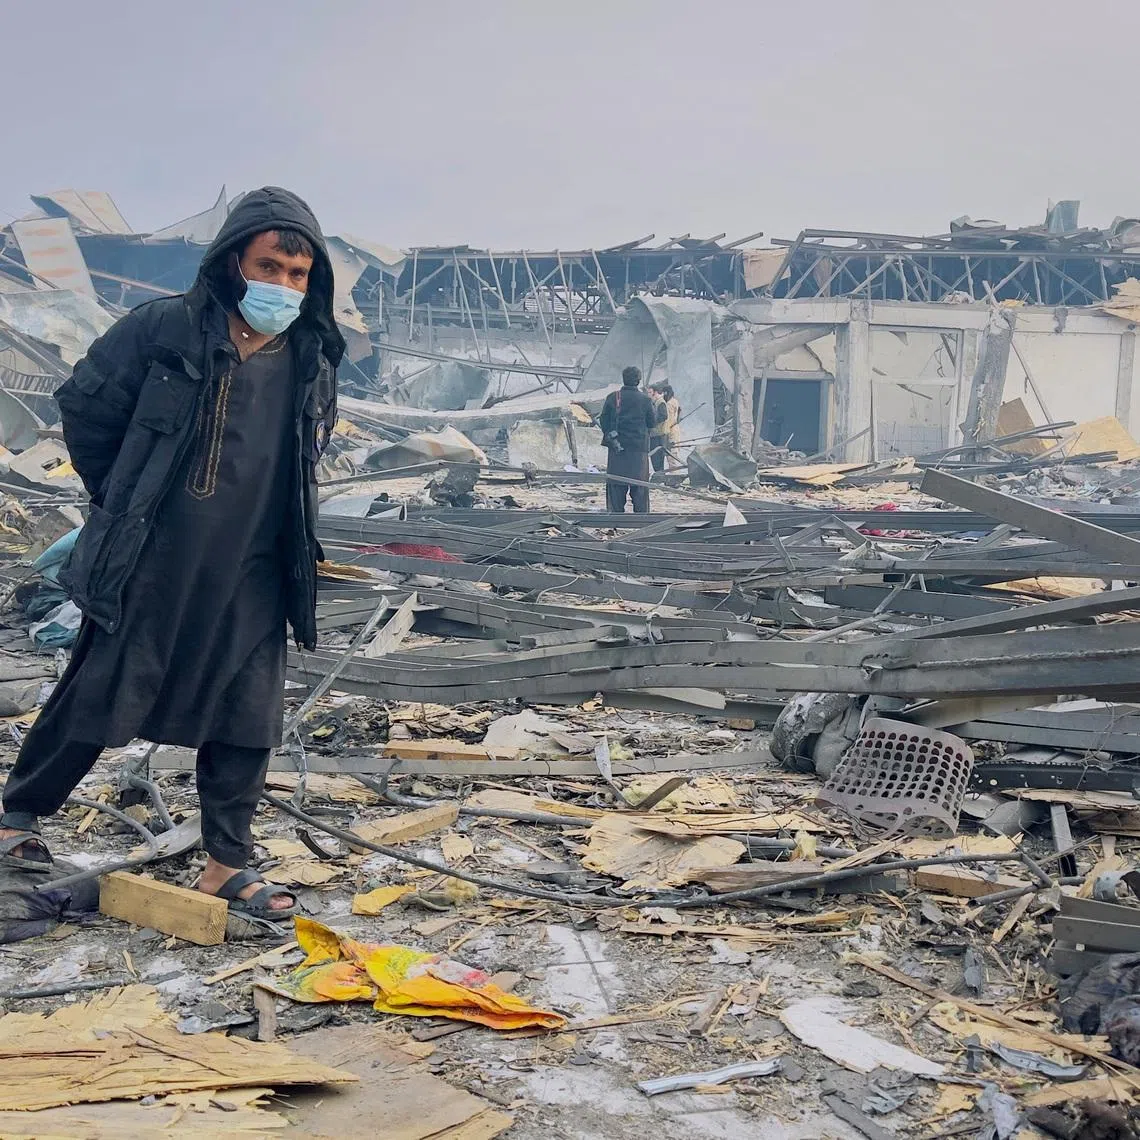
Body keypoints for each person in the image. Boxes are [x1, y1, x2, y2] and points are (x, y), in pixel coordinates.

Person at [0, 187, 344, 920]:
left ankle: (225, 864)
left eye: (298, 274)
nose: (283, 286)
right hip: (154, 561)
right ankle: (17, 818)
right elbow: (86, 406)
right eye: (269, 267)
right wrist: (123, 497)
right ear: (230, 264)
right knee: (101, 690)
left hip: (254, 566)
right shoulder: (163, 330)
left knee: (247, 713)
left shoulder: (310, 357)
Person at [599, 365, 656, 513]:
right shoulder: (645, 400)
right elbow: (652, 423)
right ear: (638, 380)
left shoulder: (613, 397)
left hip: (617, 449)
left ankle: (616, 519)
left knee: (616, 486)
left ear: (623, 379)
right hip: (639, 451)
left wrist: (611, 435)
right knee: (640, 487)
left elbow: (603, 420)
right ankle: (641, 520)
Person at [647, 383, 669, 473]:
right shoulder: (655, 403)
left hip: (659, 435)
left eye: (650, 392)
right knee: (655, 459)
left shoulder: (660, 402)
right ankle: (659, 476)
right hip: (655, 434)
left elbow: (664, 416)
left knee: (657, 458)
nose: (648, 394)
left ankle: (660, 476)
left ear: (655, 392)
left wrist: (652, 422)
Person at [661, 383, 682, 467]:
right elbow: (679, 411)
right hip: (675, 429)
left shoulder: (669, 404)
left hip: (671, 430)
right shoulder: (675, 401)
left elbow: (668, 420)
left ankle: (674, 474)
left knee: (671, 454)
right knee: (673, 451)